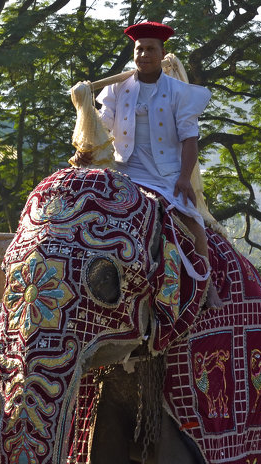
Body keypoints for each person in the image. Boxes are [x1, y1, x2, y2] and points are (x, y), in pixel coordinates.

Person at [84, 20, 221, 308]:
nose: (144, 55)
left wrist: (184, 177)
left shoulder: (178, 92)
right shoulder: (116, 87)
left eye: (150, 49)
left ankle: (208, 288)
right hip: (124, 172)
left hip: (167, 176)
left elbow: (190, 140)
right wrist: (84, 105)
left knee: (192, 219)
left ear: (161, 53)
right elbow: (104, 124)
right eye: (139, 49)